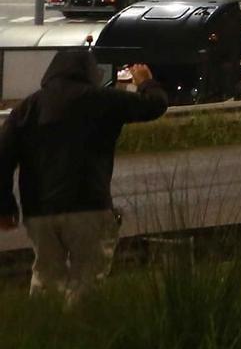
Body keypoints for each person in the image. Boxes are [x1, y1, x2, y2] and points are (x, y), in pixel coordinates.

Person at [0, 51, 167, 305]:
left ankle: (43, 324)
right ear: (90, 73)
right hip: (88, 205)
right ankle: (80, 324)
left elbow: (3, 157)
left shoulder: (27, 108)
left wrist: (5, 206)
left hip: (39, 210)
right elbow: (154, 105)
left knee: (46, 276)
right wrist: (146, 81)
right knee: (88, 279)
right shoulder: (103, 100)